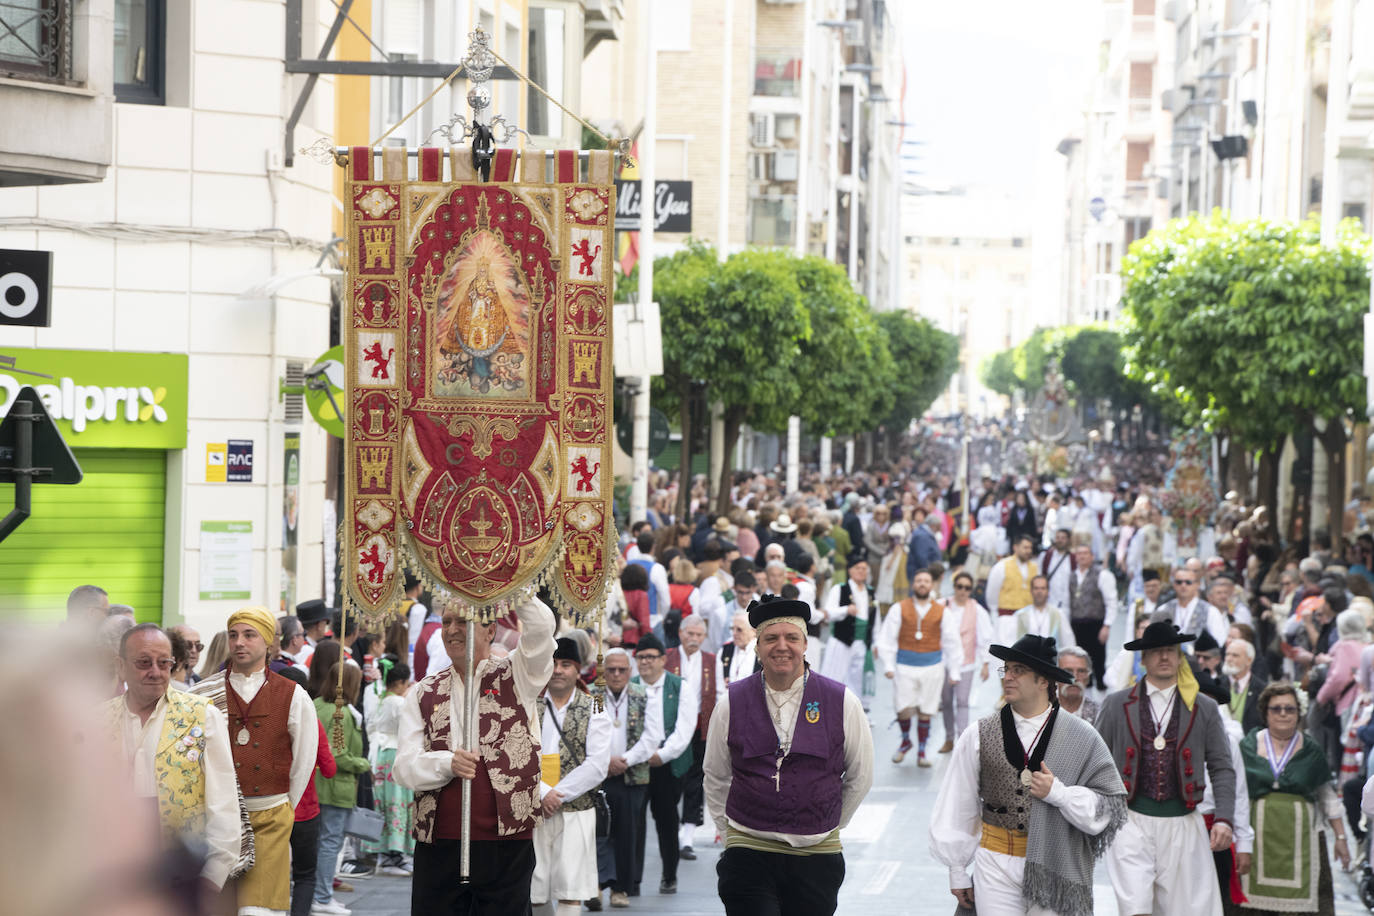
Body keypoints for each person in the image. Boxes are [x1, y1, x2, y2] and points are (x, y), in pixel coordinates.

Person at [929, 634, 1126, 916]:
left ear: (1044, 681)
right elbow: (958, 800)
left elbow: (1107, 807)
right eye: (1006, 669)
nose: (1008, 677)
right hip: (995, 862)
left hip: (1055, 862)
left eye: (1018, 670)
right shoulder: (979, 733)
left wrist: (1059, 794)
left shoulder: (1082, 736)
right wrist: (958, 870)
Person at [703, 594, 875, 916]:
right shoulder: (731, 702)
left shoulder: (841, 701)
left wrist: (828, 823)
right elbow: (715, 774)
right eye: (771, 638)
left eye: (791, 637)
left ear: (805, 644)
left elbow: (860, 775)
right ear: (757, 647)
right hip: (749, 848)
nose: (781, 646)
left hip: (816, 855)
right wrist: (731, 835)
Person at [392, 591, 556, 915]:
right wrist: (445, 763)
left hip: (507, 843)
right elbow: (403, 767)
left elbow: (541, 631)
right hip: (440, 843)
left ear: (490, 629)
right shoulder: (423, 692)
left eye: (463, 621)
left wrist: (512, 588)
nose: (452, 629)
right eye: (447, 621)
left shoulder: (518, 676)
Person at [1096, 621, 1237, 916]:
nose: (1163, 657)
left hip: (1184, 823)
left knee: (1185, 910)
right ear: (1143, 658)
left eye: (1170, 651)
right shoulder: (1116, 704)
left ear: (1180, 657)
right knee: (1136, 908)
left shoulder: (1204, 707)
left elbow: (1222, 767)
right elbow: (1097, 762)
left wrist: (1223, 818)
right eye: (1155, 651)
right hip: (1130, 822)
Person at [191, 606, 320, 916]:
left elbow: (305, 758)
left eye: (249, 635)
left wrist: (284, 804)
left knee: (259, 910)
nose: (239, 643)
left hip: (270, 817)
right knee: (219, 906)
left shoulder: (293, 694)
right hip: (218, 819)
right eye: (234, 635)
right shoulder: (203, 693)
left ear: (267, 641)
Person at [101, 624, 239, 906]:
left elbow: (224, 803)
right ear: (121, 666)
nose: (155, 671)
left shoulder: (202, 715)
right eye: (143, 663)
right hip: (113, 872)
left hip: (184, 871)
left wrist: (212, 876)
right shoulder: (96, 720)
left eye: (164, 663)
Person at [1238, 682, 1350, 913]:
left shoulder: (1311, 750)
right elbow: (1235, 794)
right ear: (1264, 712)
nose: (1283, 713)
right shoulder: (1247, 746)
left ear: (1299, 713)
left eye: (1290, 709)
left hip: (1304, 839)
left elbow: (1327, 796)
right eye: (1276, 708)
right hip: (1256, 838)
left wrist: (1340, 837)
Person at [533, 638, 610, 916]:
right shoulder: (530, 705)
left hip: (576, 807)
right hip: (535, 806)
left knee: (571, 887)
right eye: (553, 664)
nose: (558, 670)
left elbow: (598, 764)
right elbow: (520, 755)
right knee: (535, 887)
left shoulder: (596, 705)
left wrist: (557, 794)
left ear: (577, 670)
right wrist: (543, 793)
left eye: (565, 664)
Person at [588, 647, 664, 909]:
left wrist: (626, 760)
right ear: (603, 671)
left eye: (622, 670)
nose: (617, 674)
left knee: (626, 833)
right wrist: (602, 762)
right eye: (611, 670)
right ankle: (594, 886)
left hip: (631, 774)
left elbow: (653, 736)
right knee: (594, 833)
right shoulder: (591, 694)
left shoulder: (644, 695)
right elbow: (583, 733)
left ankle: (620, 889)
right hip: (596, 775)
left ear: (630, 672)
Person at [628, 633, 698, 896]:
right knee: (634, 820)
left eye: (650, 657)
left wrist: (663, 754)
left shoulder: (680, 686)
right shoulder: (630, 685)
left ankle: (669, 876)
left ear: (662, 660)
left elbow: (685, 729)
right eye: (640, 657)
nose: (645, 662)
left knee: (667, 820)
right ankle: (632, 880)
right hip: (636, 762)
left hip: (667, 765)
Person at [874, 568, 963, 767]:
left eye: (926, 581)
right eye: (919, 580)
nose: (922, 584)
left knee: (926, 710)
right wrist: (888, 665)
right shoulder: (900, 608)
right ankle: (906, 740)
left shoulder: (942, 611)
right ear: (913, 585)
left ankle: (922, 751)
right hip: (905, 665)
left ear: (931, 586)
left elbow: (952, 642)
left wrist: (955, 671)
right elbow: (887, 637)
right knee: (903, 709)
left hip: (933, 667)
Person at [312, 662, 369, 916]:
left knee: (318, 843)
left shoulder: (316, 704)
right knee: (329, 844)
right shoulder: (342, 713)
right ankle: (322, 897)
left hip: (314, 784)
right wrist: (363, 764)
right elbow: (340, 755)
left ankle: (319, 894)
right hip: (337, 786)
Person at [664, 616, 721, 862]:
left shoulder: (711, 660)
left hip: (701, 727)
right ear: (680, 633)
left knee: (696, 781)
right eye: (690, 634)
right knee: (673, 779)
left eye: (699, 635)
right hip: (672, 728)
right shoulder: (667, 657)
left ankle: (687, 837)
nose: (694, 639)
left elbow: (718, 693)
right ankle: (671, 829)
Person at [364, 662, 414, 875]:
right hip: (395, 752)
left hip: (384, 753)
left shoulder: (383, 699)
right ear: (401, 682)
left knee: (386, 803)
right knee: (397, 802)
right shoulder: (398, 703)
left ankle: (386, 852)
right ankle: (393, 854)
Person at [938, 570, 993, 752]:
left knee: (962, 701)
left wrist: (985, 663)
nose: (963, 591)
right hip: (943, 662)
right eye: (960, 587)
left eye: (967, 588)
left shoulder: (977, 609)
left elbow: (984, 637)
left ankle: (961, 740)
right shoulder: (942, 605)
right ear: (954, 587)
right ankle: (948, 738)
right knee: (946, 702)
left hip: (966, 663)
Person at [292, 721, 338, 916]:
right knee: (304, 876)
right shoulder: (311, 721)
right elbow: (329, 769)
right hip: (304, 808)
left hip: (267, 807)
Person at [820, 551, 874, 700]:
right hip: (842, 639)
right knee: (833, 677)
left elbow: (875, 619)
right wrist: (845, 610)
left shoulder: (870, 592)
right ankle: (828, 709)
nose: (861, 571)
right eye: (858, 568)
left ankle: (856, 714)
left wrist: (874, 642)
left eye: (864, 568)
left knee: (857, 681)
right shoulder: (840, 589)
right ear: (850, 570)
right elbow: (829, 612)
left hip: (862, 641)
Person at [1068, 544, 1118, 689]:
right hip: (1076, 624)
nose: (1082, 556)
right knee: (1081, 664)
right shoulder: (1072, 575)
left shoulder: (1102, 575)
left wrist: (1107, 625)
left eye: (1085, 553)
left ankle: (1102, 702)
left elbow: (1111, 601)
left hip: (1095, 624)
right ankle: (1085, 702)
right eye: (1079, 553)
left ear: (1092, 556)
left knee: (1098, 663)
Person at [1153, 566, 1230, 653]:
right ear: (1174, 584)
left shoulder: (1210, 611)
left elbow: (1219, 643)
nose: (1183, 585)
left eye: (1188, 582)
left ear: (1197, 584)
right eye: (1179, 582)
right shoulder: (1163, 610)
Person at [1010, 576, 1077, 648]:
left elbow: (1069, 642)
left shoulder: (1058, 614)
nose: (1039, 591)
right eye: (1036, 588)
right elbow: (1011, 640)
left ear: (1048, 591)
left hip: (1051, 658)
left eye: (1043, 588)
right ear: (1031, 591)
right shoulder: (1020, 615)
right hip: (1026, 657)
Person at [987, 536, 1038, 626]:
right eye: (1025, 547)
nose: (1028, 551)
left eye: (1030, 548)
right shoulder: (1002, 565)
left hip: (1028, 613)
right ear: (1015, 547)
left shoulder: (1035, 567)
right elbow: (992, 592)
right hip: (1006, 613)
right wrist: (994, 612)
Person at [1224, 637, 1267, 735]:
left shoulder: (1262, 690)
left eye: (1235, 655)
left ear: (1249, 660)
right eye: (1227, 654)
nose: (1229, 659)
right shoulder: (1216, 685)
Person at [1057, 646, 1101, 724]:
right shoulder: (1041, 709)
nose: (1075, 677)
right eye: (1068, 671)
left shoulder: (1099, 714)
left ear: (1088, 677)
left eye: (1081, 671)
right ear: (1055, 675)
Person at [717, 611, 759, 686]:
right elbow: (720, 686)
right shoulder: (725, 650)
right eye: (732, 629)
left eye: (739, 630)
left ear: (753, 631)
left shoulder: (762, 651)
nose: (734, 633)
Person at [1041, 528, 1075, 612]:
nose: (1060, 540)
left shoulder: (1073, 558)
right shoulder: (1047, 556)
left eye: (1063, 538)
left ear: (1068, 540)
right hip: (1050, 601)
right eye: (1057, 537)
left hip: (1067, 604)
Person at [296, 599, 333, 669]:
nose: (326, 626)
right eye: (326, 623)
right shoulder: (309, 651)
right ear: (319, 625)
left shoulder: (301, 646)